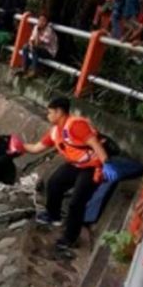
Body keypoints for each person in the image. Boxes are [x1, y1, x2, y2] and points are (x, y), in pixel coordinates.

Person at [9, 97, 117, 250]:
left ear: (59, 112)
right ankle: (53, 216)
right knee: (54, 183)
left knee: (76, 203)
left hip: (92, 167)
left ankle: (70, 238)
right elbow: (36, 148)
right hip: (76, 164)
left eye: (50, 112)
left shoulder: (76, 125)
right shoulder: (55, 132)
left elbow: (96, 144)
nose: (48, 115)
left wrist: (106, 164)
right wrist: (18, 147)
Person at [19, 14, 58, 78]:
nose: (41, 22)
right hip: (38, 48)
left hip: (49, 51)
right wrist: (31, 45)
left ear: (46, 22)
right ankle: (24, 68)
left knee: (35, 49)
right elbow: (31, 40)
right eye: (40, 20)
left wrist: (38, 31)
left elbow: (38, 43)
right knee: (25, 47)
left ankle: (34, 71)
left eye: (43, 21)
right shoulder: (36, 27)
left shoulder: (49, 30)